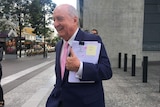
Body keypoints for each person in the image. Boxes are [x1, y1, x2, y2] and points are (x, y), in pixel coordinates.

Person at [46, 4, 112, 107]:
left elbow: (106, 71)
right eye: (53, 20)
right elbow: (60, 80)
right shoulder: (59, 45)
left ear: (74, 20)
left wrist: (80, 67)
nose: (55, 24)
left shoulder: (93, 40)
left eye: (59, 19)